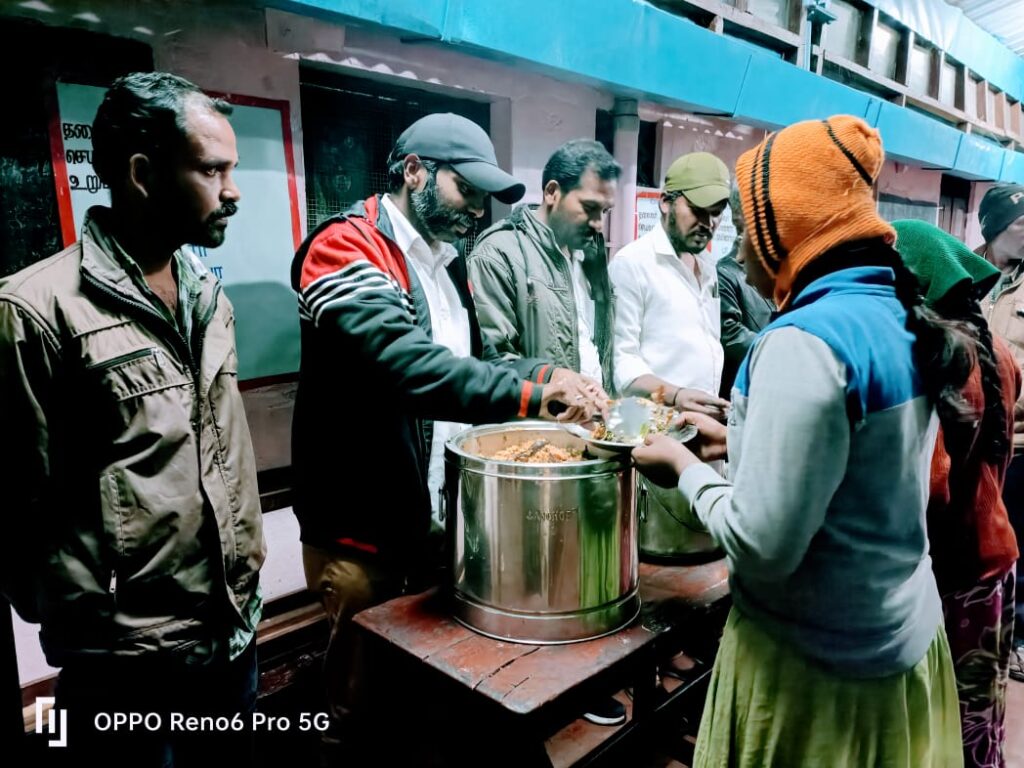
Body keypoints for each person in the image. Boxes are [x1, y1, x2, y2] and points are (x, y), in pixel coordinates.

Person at [633, 115, 965, 767]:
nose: (737, 252)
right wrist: (740, 441)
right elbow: (853, 470)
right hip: (897, 644)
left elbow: (761, 549)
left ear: (786, 230)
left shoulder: (803, 342)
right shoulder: (895, 313)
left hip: (818, 675)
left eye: (746, 231)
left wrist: (683, 467)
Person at [290, 113, 606, 750]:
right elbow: (409, 367)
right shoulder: (344, 249)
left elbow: (476, 360)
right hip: (360, 531)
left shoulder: (445, 263)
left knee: (422, 704)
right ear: (414, 171)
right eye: (466, 190)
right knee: (361, 709)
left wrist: (550, 375)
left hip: (426, 522)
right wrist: (533, 398)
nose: (477, 211)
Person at [0, 72, 265, 765]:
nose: (233, 191)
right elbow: (17, 506)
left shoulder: (206, 297)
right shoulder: (36, 311)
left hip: (231, 639)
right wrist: (94, 612)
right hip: (122, 668)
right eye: (212, 170)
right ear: (143, 174)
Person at [894, 219, 1020, 768]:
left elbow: (933, 487)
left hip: (955, 570)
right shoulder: (994, 349)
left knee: (945, 727)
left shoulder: (942, 362)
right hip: (993, 557)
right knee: (980, 719)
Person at [468, 139, 620, 395]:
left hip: (592, 414)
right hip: (536, 417)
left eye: (605, 211)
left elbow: (596, 345)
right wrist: (553, 385)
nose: (598, 223)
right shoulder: (499, 254)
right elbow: (491, 360)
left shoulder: (592, 253)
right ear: (552, 192)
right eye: (589, 207)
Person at [608, 151, 731, 416]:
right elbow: (622, 361)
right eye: (697, 210)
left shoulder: (708, 266)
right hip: (654, 426)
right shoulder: (632, 263)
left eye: (716, 213)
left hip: (704, 421)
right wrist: (675, 396)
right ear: (665, 202)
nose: (708, 224)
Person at [976, 183, 1024, 681]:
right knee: (975, 538)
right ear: (994, 228)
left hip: (1019, 443)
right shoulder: (964, 273)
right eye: (1021, 222)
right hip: (968, 440)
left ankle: (1016, 638)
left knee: (1017, 543)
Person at [716, 185, 774, 397]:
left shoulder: (778, 266)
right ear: (738, 216)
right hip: (744, 388)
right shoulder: (725, 271)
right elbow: (730, 334)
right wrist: (776, 347)